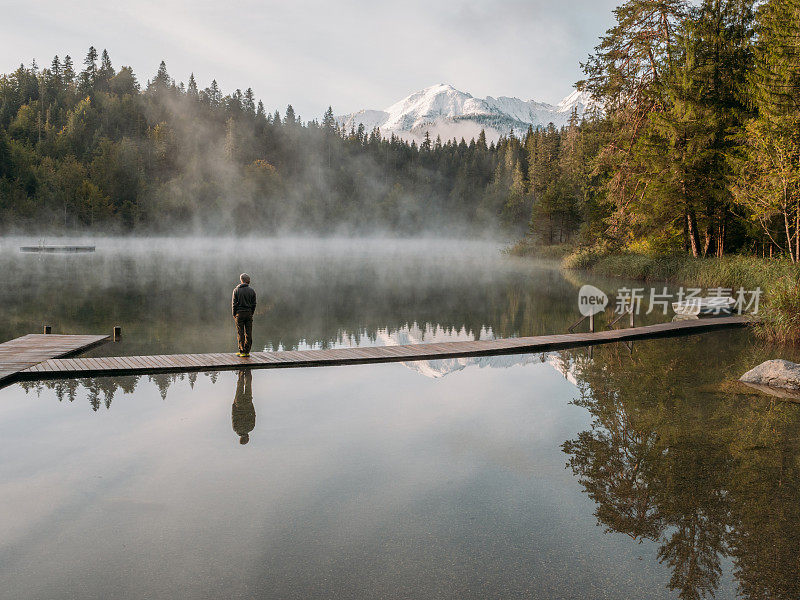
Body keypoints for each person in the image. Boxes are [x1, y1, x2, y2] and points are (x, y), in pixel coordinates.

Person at [232, 273, 257, 357]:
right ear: (247, 280)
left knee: (240, 333)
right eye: (249, 279)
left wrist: (234, 314)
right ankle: (247, 351)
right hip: (249, 314)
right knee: (248, 333)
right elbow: (254, 304)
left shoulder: (236, 290)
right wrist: (251, 312)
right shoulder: (252, 290)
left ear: (241, 280)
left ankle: (242, 350)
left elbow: (234, 304)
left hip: (239, 314)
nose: (250, 281)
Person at [232, 370, 255, 445]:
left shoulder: (250, 428)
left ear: (247, 438)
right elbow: (233, 415)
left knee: (248, 385)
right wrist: (234, 404)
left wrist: (251, 404)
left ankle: (248, 371)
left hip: (248, 403)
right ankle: (241, 371)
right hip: (239, 404)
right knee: (240, 385)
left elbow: (253, 414)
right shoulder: (236, 428)